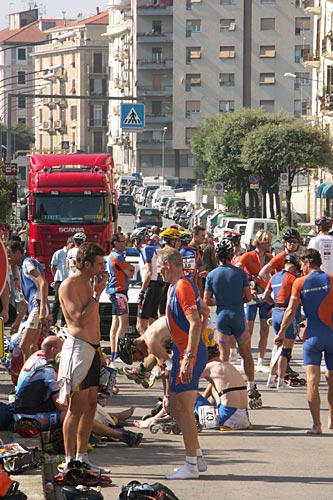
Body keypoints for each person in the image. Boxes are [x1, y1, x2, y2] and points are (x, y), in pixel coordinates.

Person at [13, 336, 143, 449]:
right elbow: (62, 405)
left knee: (80, 405)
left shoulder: (43, 360)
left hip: (33, 410)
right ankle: (119, 434)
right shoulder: (49, 373)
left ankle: (110, 422)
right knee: (76, 413)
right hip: (27, 420)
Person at [157, 246, 207, 480]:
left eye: (160, 269)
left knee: (185, 411)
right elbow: (203, 312)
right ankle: (197, 455)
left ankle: (191, 464)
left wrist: (188, 356)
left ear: (168, 265)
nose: (159, 273)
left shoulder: (183, 286)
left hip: (189, 352)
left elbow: (196, 322)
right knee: (176, 407)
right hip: (183, 351)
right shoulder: (176, 286)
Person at [57, 242, 108, 469]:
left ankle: (82, 456)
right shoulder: (69, 286)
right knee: (76, 408)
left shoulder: (89, 283)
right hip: (78, 348)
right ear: (86, 264)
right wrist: (96, 296)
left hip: (93, 349)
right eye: (99, 263)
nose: (102, 267)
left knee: (90, 405)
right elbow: (78, 319)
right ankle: (69, 460)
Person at [276, 249, 333, 435]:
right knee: (332, 381)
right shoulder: (332, 279)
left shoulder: (300, 283)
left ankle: (317, 426)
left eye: (302, 265)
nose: (301, 268)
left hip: (313, 337)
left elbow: (291, 310)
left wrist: (281, 332)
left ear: (308, 263)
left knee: (312, 381)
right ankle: (332, 420)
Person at [203, 239, 258, 400]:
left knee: (223, 357)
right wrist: (237, 300)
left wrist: (220, 301)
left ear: (217, 256)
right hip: (238, 315)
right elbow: (248, 297)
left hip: (222, 316)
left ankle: (223, 388)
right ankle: (251, 385)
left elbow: (206, 300)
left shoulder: (212, 275)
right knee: (246, 353)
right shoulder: (240, 272)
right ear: (232, 254)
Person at [236, 229, 273, 372]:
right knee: (248, 329)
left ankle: (261, 360)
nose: (269, 244)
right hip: (252, 296)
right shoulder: (248, 256)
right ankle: (246, 357)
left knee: (265, 329)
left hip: (266, 296)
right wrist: (248, 284)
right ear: (260, 242)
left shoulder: (270, 257)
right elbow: (238, 269)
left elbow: (276, 272)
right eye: (267, 241)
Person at [263, 254, 301, 390]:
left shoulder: (274, 277)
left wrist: (275, 305)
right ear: (295, 266)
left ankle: (271, 378)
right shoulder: (293, 279)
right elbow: (298, 298)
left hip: (276, 311)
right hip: (288, 312)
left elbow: (265, 296)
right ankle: (281, 380)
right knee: (286, 350)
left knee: (277, 347)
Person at [6, 240, 49, 361]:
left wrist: (41, 311)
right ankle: (36, 371)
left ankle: (28, 375)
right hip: (35, 306)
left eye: (10, 255)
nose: (9, 259)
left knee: (24, 346)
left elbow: (43, 283)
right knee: (31, 346)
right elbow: (26, 301)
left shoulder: (27, 263)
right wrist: (18, 321)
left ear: (18, 253)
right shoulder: (22, 268)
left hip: (37, 306)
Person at [197, 345, 252, 431]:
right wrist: (204, 397)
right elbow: (213, 386)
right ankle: (209, 411)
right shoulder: (227, 365)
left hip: (227, 419)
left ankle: (200, 413)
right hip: (244, 419)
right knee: (215, 388)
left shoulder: (209, 366)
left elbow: (188, 381)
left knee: (189, 392)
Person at [105, 232, 134, 363]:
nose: (125, 244)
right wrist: (129, 269)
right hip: (119, 290)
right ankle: (118, 352)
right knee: (124, 323)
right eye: (122, 242)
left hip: (115, 291)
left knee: (115, 323)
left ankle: (114, 352)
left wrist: (129, 269)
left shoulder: (112, 256)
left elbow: (130, 270)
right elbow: (130, 271)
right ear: (115, 243)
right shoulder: (118, 257)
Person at [130, 227, 163, 335]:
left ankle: (149, 350)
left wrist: (142, 292)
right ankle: (154, 349)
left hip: (150, 286)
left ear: (137, 240)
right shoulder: (158, 247)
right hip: (160, 286)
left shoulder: (146, 249)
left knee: (140, 326)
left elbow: (148, 273)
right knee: (152, 324)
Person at [51, 237, 74, 327]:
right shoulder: (59, 253)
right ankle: (53, 322)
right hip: (60, 280)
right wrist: (55, 277)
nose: (72, 247)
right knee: (57, 301)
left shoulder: (74, 254)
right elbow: (53, 266)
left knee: (67, 302)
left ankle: (64, 322)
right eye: (71, 245)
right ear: (68, 243)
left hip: (69, 280)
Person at [180, 225, 206, 296]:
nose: (204, 238)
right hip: (187, 290)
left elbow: (200, 272)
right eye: (202, 235)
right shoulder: (188, 253)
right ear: (195, 236)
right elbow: (188, 274)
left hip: (194, 290)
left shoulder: (197, 251)